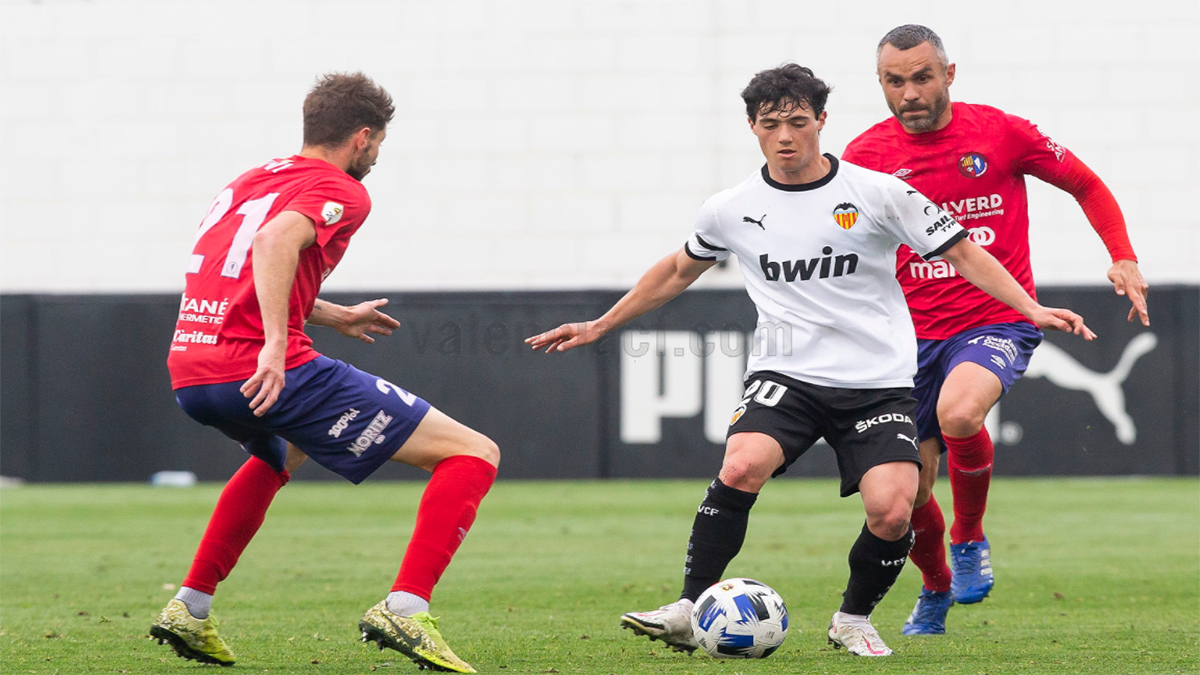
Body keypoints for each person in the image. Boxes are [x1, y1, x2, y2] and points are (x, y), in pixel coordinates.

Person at [526, 64, 1094, 657]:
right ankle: (688, 607)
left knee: (895, 509)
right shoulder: (730, 208)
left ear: (822, 121)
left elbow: (964, 253)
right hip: (787, 375)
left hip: (877, 384)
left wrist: (1028, 308)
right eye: (771, 124)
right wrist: (602, 323)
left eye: (799, 121)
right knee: (743, 465)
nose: (786, 136)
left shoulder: (879, 193)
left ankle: (852, 618)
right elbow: (676, 271)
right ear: (752, 127)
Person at [150, 72, 499, 674]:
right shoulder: (342, 189)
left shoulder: (251, 179)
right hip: (258, 364)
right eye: (379, 146)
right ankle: (405, 608)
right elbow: (274, 245)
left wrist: (330, 313)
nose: (376, 158)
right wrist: (277, 346)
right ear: (362, 137)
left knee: (280, 453)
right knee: (473, 454)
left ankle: (190, 604)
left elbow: (242, 265)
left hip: (192, 369)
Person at [842, 24, 1149, 635]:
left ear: (949, 75)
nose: (910, 93)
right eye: (894, 81)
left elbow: (1085, 183)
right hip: (905, 339)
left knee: (961, 414)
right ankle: (934, 586)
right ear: (880, 84)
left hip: (995, 318)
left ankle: (971, 535)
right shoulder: (864, 157)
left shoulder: (1001, 133)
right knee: (907, 491)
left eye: (922, 77)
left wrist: (1122, 253)